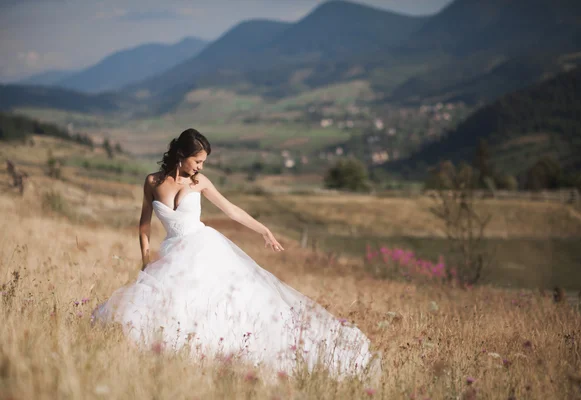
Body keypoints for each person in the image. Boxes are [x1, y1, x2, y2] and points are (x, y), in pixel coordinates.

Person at [93, 128, 380, 380]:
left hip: (203, 248)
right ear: (181, 154)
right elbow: (144, 223)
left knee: (226, 304)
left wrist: (263, 230)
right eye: (197, 161)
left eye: (204, 162)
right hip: (172, 253)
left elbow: (231, 210)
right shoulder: (153, 182)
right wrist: (145, 257)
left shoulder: (200, 182)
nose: (200, 167)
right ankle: (177, 359)